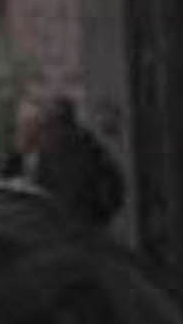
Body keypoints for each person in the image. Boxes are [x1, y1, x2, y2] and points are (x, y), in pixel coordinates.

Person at [32, 96, 125, 229]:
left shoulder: (48, 150)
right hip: (87, 222)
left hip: (64, 224)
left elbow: (39, 188)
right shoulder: (89, 144)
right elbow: (114, 180)